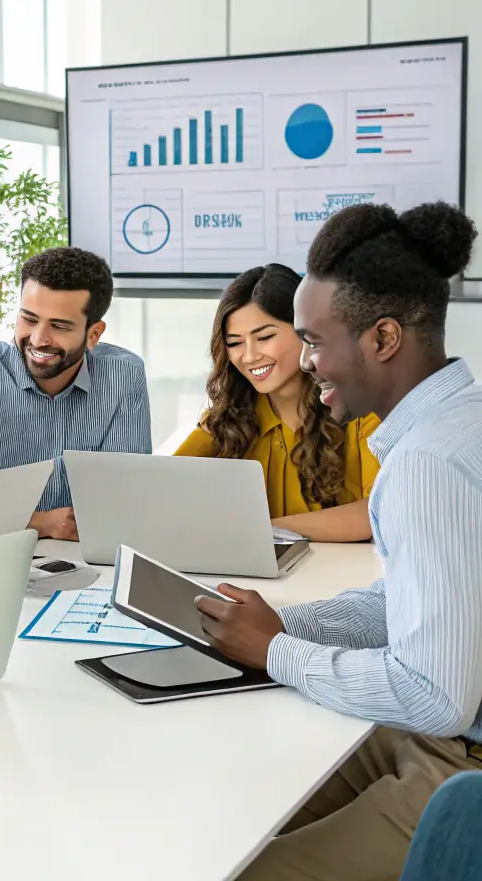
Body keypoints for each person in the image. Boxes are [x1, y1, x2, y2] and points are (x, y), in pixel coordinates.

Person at [192, 202, 482, 880]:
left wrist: (276, 651)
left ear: (383, 338)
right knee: (238, 812)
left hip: (457, 755)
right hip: (443, 738)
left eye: (314, 342)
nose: (308, 362)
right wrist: (280, 623)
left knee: (242, 867)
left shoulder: (426, 464)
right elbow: (422, 601)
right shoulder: (457, 423)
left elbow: (437, 696)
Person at [0, 246, 151, 541]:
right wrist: (41, 523)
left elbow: (127, 492)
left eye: (59, 326)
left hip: (89, 555)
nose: (38, 339)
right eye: (29, 319)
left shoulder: (124, 374)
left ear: (94, 334)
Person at [175, 263, 379, 541]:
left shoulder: (361, 410)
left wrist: (265, 530)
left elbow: (375, 513)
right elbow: (164, 489)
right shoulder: (225, 420)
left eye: (265, 337)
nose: (249, 356)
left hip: (349, 579)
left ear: (306, 331)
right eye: (235, 343)